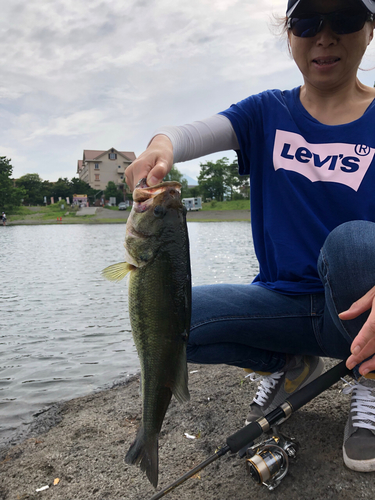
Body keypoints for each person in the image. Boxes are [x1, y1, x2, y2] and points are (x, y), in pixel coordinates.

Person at [126, 0, 375, 472]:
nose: (324, 36)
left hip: (361, 306)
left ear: (369, 30)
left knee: (353, 243)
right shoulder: (266, 111)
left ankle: (371, 378)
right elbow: (186, 134)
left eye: (343, 21)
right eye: (306, 23)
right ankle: (290, 361)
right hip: (284, 303)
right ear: (289, 32)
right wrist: (160, 147)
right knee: (177, 322)